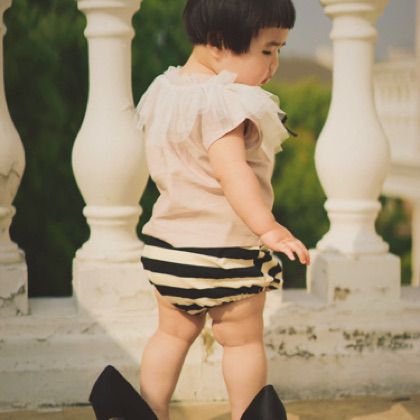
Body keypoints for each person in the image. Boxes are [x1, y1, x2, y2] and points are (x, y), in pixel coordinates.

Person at [89, 0, 310, 419]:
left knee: (170, 337)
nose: (274, 64)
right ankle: (248, 414)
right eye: (267, 49)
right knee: (242, 342)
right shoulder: (227, 101)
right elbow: (232, 172)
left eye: (279, 50)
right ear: (218, 43)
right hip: (226, 255)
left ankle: (145, 412)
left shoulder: (163, 90)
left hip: (169, 253)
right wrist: (267, 227)